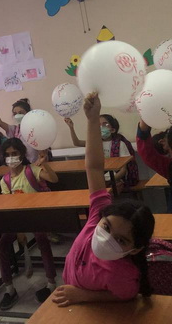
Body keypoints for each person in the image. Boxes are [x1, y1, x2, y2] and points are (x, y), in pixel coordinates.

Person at [55, 93, 155, 307]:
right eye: (106, 227)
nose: (105, 238)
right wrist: (92, 119)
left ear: (135, 249)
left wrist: (83, 295)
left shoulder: (122, 275)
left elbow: (127, 296)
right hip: (72, 302)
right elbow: (93, 167)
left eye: (121, 240)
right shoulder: (95, 219)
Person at [0, 138, 59, 310]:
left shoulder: (31, 170)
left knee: (42, 240)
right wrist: (18, 230)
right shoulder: (5, 180)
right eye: (8, 155)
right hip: (17, 220)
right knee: (2, 245)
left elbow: (53, 179)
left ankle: (51, 283)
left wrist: (45, 163)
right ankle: (9, 289)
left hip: (37, 216)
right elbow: (9, 207)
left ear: (22, 154)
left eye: (14, 153)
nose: (11, 157)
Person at [65, 114, 138, 191]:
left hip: (116, 178)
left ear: (113, 130)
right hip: (101, 177)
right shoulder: (95, 143)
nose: (101, 127)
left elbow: (123, 170)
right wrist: (71, 127)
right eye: (98, 125)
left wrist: (110, 181)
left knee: (113, 189)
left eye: (105, 125)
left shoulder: (120, 144)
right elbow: (77, 143)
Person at [0, 97, 39, 163]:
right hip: (21, 163)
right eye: (15, 114)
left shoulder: (35, 129)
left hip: (35, 163)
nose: (17, 115)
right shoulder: (15, 130)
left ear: (28, 113)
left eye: (20, 113)